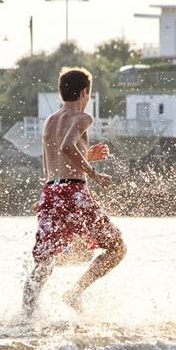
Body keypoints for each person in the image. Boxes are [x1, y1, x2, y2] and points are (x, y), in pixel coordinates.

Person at [22, 67, 126, 316]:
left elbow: (53, 160)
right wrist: (93, 172)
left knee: (43, 262)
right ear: (84, 92)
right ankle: (75, 292)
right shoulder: (83, 118)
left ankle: (25, 316)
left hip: (51, 190)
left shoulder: (51, 120)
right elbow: (68, 146)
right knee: (117, 248)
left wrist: (86, 157)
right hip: (73, 192)